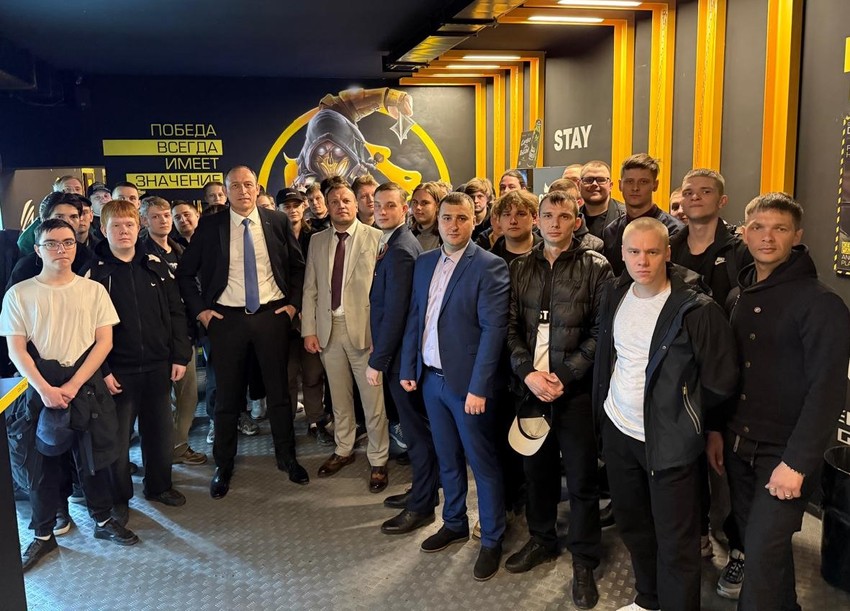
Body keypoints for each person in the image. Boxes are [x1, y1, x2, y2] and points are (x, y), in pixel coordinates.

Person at [707, 193, 850, 610]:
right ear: (745, 233)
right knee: (761, 548)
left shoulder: (821, 303)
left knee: (763, 554)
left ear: (797, 235)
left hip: (784, 454)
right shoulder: (739, 295)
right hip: (737, 445)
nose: (767, 237)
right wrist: (716, 430)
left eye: (780, 228)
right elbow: (728, 374)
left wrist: (797, 464)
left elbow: (828, 392)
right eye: (758, 227)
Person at [594, 218, 738, 611]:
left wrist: (695, 422)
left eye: (652, 252)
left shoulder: (697, 309)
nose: (643, 261)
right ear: (622, 254)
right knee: (634, 527)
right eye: (634, 252)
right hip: (620, 430)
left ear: (667, 253)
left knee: (677, 543)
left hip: (670, 442)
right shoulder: (616, 293)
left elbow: (721, 380)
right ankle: (648, 600)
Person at [1, 218, 139, 573]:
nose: (60, 249)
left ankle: (103, 520)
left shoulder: (93, 291)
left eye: (67, 242)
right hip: (39, 387)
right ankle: (43, 534)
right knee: (41, 465)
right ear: (38, 249)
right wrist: (45, 389)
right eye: (51, 243)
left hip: (85, 384)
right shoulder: (19, 294)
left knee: (93, 459)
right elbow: (17, 350)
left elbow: (104, 342)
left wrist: (74, 385)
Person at [506, 188, 612, 609]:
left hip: (575, 392)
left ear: (576, 221)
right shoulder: (520, 267)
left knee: (583, 479)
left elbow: (601, 332)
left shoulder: (597, 267)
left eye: (563, 216)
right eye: (548, 215)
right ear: (537, 220)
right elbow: (510, 328)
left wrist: (564, 376)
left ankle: (584, 559)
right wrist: (528, 374)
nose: (554, 223)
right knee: (537, 472)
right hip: (531, 389)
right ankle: (542, 539)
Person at [177, 165, 308, 498]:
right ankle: (223, 465)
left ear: (257, 187)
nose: (243, 191)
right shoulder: (211, 226)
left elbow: (297, 267)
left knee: (279, 393)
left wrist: (292, 306)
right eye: (235, 186)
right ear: (226, 191)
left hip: (271, 317)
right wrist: (202, 311)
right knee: (226, 397)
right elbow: (185, 274)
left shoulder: (277, 221)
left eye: (248, 184)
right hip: (226, 321)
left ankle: (287, 457)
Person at [400, 191, 510, 581]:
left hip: (468, 386)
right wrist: (409, 365)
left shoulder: (490, 266)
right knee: (447, 457)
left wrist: (479, 388)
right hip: (431, 379)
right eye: (447, 218)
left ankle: (492, 538)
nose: (453, 225)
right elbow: (417, 316)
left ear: (474, 221)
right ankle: (454, 522)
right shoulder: (425, 262)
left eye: (462, 218)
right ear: (438, 220)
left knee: (482, 463)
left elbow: (494, 331)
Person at [85, 200, 192, 522]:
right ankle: (119, 498)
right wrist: (103, 371)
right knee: (117, 441)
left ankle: (159, 486)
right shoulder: (94, 273)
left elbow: (176, 312)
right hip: (117, 372)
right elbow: (85, 329)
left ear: (138, 227)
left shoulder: (155, 265)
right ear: (103, 230)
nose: (124, 231)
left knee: (159, 433)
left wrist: (180, 355)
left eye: (129, 225)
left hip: (159, 365)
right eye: (116, 226)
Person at [669, 168, 751, 573]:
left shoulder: (740, 249)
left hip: (729, 373)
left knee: (729, 470)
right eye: (689, 192)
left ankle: (740, 549)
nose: (695, 197)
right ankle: (698, 532)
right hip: (682, 374)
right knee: (687, 463)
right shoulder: (669, 246)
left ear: (722, 201)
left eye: (705, 192)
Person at [301, 177, 389, 492]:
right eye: (335, 201)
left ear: (357, 204)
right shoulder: (317, 241)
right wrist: (309, 330)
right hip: (329, 331)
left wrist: (381, 335)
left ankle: (378, 458)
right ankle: (343, 448)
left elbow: (383, 293)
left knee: (373, 400)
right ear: (327, 206)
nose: (341, 206)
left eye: (346, 200)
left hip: (365, 332)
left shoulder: (376, 237)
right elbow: (310, 288)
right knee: (339, 398)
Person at [364, 182, 436, 533]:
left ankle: (423, 505)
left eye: (390, 205)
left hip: (401, 358)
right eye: (377, 205)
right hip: (396, 353)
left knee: (416, 433)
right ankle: (422, 490)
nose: (382, 211)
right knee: (415, 430)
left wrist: (378, 361)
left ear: (404, 209)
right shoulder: (392, 242)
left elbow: (397, 312)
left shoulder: (401, 250)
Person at [140, 196, 207, 467]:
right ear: (144, 221)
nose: (164, 220)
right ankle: (160, 451)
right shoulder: (139, 253)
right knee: (160, 401)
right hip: (154, 338)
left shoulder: (180, 249)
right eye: (155, 216)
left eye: (166, 215)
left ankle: (178, 445)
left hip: (184, 334)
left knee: (188, 395)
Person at [278, 187, 332, 444]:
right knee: (287, 375)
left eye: (296, 205)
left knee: (313, 374)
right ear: (278, 210)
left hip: (312, 316)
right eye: (286, 206)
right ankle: (286, 426)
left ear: (304, 207)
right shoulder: (272, 238)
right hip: (283, 318)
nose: (292, 210)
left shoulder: (317, 237)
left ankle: (316, 421)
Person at [602, 154, 683, 274]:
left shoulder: (675, 231)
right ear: (620, 185)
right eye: (629, 181)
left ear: (655, 185)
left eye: (643, 182)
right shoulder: (611, 231)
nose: (635, 188)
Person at [9, 193, 93, 288]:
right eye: (59, 217)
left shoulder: (90, 258)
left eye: (73, 217)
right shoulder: (25, 267)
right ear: (44, 220)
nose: (67, 222)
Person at [579, 161, 625, 239]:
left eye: (601, 180)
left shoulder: (625, 218)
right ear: (579, 185)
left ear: (610, 186)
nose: (594, 184)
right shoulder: (572, 218)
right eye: (588, 180)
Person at [409, 182, 446, 251]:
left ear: (438, 206)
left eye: (424, 203)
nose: (418, 207)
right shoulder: (407, 235)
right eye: (415, 202)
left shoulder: (447, 236)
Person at [462, 178, 495, 242]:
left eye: (480, 196)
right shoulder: (462, 219)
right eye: (472, 196)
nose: (475, 201)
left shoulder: (494, 220)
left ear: (488, 198)